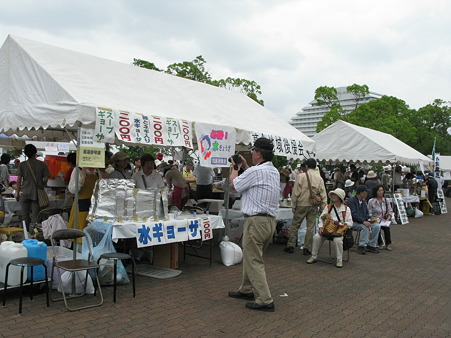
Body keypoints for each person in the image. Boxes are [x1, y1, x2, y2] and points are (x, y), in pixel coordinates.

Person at [227, 137, 279, 312]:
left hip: (256, 221)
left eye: (253, 151)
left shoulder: (255, 172)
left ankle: (265, 299)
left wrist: (235, 168)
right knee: (253, 257)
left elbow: (234, 184)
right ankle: (246, 289)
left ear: (258, 154)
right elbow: (255, 177)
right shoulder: (273, 171)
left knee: (253, 260)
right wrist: (245, 167)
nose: (251, 154)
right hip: (269, 222)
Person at [285, 158, 327, 255]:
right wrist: (322, 208)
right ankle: (307, 247)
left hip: (301, 204)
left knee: (295, 225)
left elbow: (295, 193)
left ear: (306, 166)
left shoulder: (301, 176)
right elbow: (324, 195)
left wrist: (293, 205)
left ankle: (290, 245)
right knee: (310, 227)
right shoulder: (319, 178)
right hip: (313, 206)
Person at [306, 188, 353, 268]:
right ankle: (313, 256)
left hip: (338, 232)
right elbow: (321, 218)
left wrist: (342, 224)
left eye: (335, 195)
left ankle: (339, 260)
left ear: (340, 197)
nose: (333, 196)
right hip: (327, 230)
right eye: (333, 195)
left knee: (337, 240)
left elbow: (350, 223)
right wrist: (321, 227)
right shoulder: (328, 207)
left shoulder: (346, 209)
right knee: (316, 237)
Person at [68, 152, 110, 231]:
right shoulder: (78, 170)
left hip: (94, 207)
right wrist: (81, 179)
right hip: (81, 206)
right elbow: (72, 189)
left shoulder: (97, 171)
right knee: (80, 232)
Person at [15, 144, 50, 230]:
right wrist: (40, 183)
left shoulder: (22, 165)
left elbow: (19, 180)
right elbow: (46, 178)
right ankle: (33, 233)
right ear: (35, 153)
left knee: (24, 215)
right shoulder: (42, 164)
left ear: (26, 154)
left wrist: (17, 192)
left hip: (25, 192)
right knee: (35, 215)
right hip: (36, 193)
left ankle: (26, 233)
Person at [347, 185, 381, 255]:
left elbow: (366, 213)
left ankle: (371, 245)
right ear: (360, 193)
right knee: (364, 227)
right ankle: (362, 246)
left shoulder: (363, 202)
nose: (366, 194)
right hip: (353, 222)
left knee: (377, 226)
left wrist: (370, 219)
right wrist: (363, 221)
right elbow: (353, 214)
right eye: (365, 193)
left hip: (363, 221)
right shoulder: (351, 201)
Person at [368, 184, 394, 251]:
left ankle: (388, 243)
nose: (381, 192)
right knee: (377, 226)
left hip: (383, 220)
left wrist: (388, 218)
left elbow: (390, 211)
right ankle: (380, 243)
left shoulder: (386, 200)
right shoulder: (371, 201)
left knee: (386, 228)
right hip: (374, 220)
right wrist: (374, 220)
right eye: (379, 191)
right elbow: (369, 213)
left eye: (382, 190)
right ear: (376, 192)